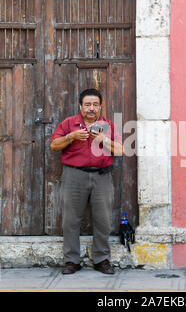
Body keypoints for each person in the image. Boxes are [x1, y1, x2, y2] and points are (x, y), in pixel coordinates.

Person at [50, 88, 123, 275]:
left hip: (102, 176)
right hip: (74, 175)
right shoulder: (69, 123)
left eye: (95, 104)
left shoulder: (108, 125)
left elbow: (121, 150)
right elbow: (54, 145)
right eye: (88, 104)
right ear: (80, 106)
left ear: (100, 106)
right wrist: (71, 137)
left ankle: (101, 259)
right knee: (71, 220)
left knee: (103, 220)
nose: (92, 108)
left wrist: (102, 140)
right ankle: (71, 261)